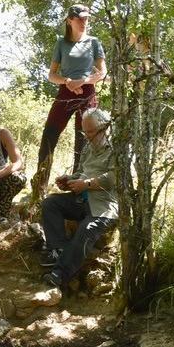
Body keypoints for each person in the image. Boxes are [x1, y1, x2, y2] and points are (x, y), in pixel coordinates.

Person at [37, 108, 117, 303]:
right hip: (82, 199)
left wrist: (87, 184)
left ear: (104, 127)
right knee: (50, 204)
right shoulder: (89, 148)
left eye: (91, 131)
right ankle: (59, 251)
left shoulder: (118, 148)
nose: (87, 136)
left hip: (104, 205)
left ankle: (59, 274)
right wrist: (69, 180)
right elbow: (82, 172)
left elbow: (117, 177)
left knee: (86, 229)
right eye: (85, 132)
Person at [30, 3, 106, 203]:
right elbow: (51, 75)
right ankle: (39, 188)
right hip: (65, 92)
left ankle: (78, 189)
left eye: (86, 19)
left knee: (85, 139)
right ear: (69, 20)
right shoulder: (61, 43)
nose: (84, 22)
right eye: (80, 19)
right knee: (49, 135)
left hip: (87, 92)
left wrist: (84, 81)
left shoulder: (94, 42)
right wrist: (68, 82)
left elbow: (102, 73)